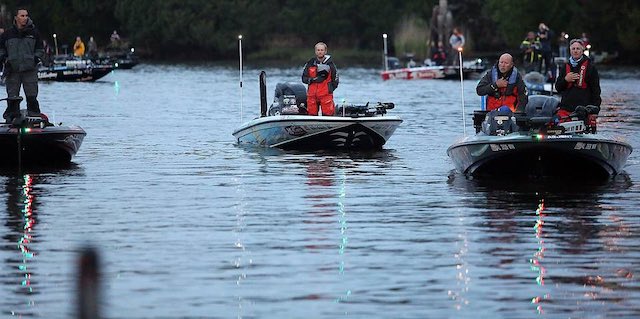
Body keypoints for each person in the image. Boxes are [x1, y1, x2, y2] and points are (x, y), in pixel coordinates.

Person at [0, 7, 44, 121]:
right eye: (22, 15)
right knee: (12, 97)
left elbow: (40, 49)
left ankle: (34, 117)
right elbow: (1, 49)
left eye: (26, 15)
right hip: (12, 70)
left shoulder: (34, 33)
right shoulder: (7, 34)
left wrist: (35, 58)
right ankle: (11, 118)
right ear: (16, 17)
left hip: (30, 70)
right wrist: (4, 58)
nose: (25, 18)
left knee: (32, 96)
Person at [554, 39, 601, 119]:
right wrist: (565, 80)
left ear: (582, 50)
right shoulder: (565, 67)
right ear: (570, 50)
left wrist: (595, 111)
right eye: (573, 49)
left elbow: (596, 91)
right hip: (566, 108)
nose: (575, 51)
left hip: (584, 110)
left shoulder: (590, 67)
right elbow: (558, 88)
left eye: (578, 49)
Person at [301, 42, 339, 116]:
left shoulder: (330, 64)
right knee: (311, 116)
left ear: (325, 51)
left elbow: (336, 79)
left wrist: (329, 89)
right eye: (318, 50)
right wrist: (312, 80)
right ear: (315, 51)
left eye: (322, 50)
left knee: (328, 115)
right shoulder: (310, 63)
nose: (320, 52)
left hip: (326, 95)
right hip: (312, 95)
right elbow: (303, 78)